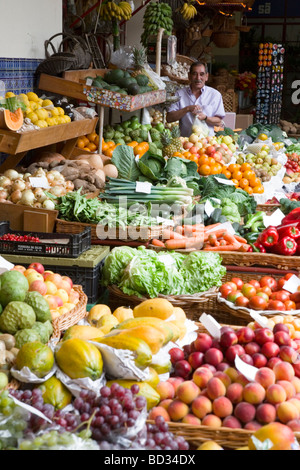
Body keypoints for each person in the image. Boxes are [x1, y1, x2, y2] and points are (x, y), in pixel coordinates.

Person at [166, 61, 226, 137]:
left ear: (206, 77)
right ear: (189, 76)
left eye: (202, 74)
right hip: (186, 143)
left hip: (208, 143)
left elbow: (219, 122)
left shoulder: (215, 95)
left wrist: (205, 118)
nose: (198, 78)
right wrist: (187, 109)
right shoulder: (179, 94)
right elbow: (169, 118)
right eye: (194, 74)